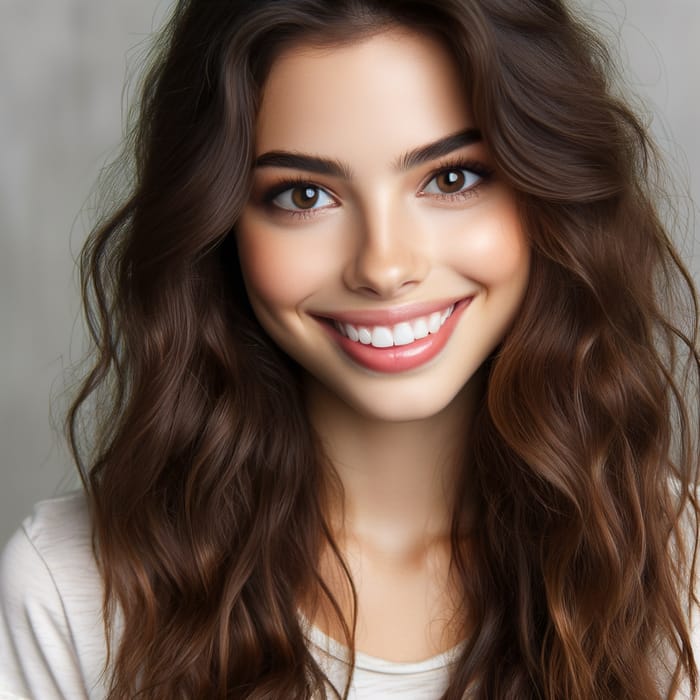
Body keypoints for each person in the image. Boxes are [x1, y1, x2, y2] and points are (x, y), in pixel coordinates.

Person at [1, 0, 698, 698]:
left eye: (451, 178)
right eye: (305, 194)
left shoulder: (684, 570)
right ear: (216, 229)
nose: (384, 266)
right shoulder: (73, 591)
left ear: (551, 191)